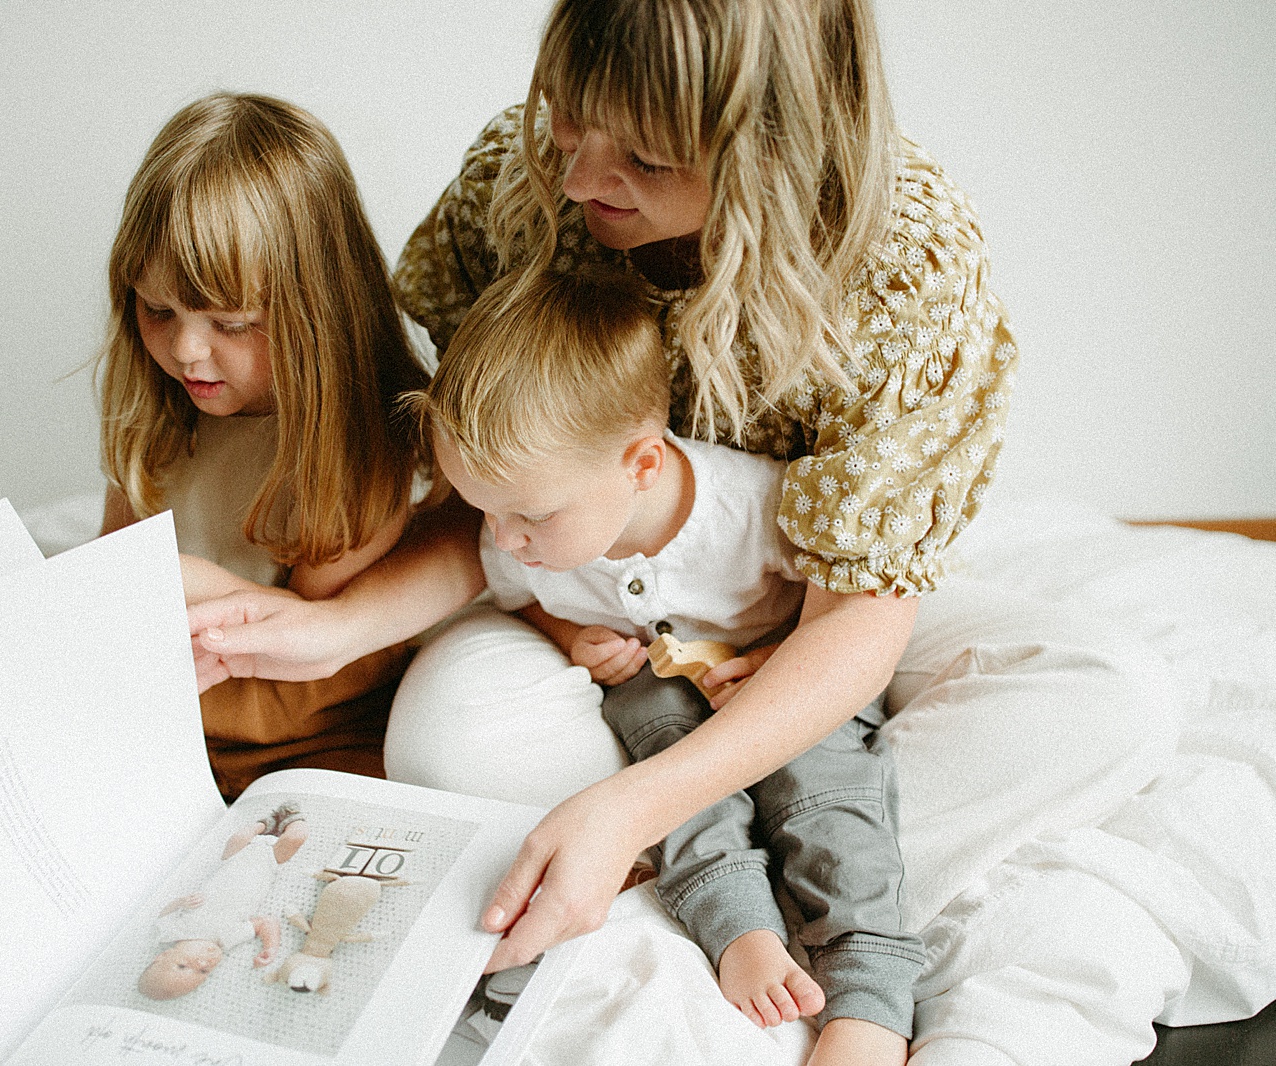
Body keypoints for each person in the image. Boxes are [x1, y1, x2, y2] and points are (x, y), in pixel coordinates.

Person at [191, 4, 1154, 1061]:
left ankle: (707, 891)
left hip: (794, 617)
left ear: (779, 146)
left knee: (1107, 698)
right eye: (566, 126)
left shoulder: (903, 267)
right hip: (582, 611)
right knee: (443, 740)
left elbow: (857, 611)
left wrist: (633, 803)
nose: (577, 181)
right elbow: (490, 514)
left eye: (644, 156)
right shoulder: (518, 191)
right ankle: (708, 869)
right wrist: (327, 630)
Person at [404, 267, 922, 1054]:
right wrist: (565, 633)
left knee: (828, 804)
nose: (504, 540)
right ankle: (737, 924)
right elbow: (515, 590)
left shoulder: (755, 507)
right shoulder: (527, 536)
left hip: (782, 686)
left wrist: (780, 653)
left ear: (641, 466)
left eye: (529, 517)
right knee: (668, 783)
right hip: (662, 693)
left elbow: (851, 604)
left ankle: (868, 999)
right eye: (486, 513)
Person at [94, 93, 434, 798]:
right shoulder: (159, 413)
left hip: (314, 735)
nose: (188, 351)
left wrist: (169, 587)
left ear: (318, 312)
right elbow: (110, 579)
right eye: (159, 310)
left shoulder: (364, 443)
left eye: (231, 322)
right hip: (166, 723)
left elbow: (301, 663)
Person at [137, 804, 308, 1000]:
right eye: (203, 973)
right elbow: (266, 923)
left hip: (231, 859)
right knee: (296, 838)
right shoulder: (226, 938)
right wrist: (270, 947)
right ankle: (291, 817)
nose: (203, 964)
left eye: (183, 966)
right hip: (267, 864)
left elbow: (163, 913)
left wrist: (181, 902)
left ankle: (265, 824)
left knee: (239, 838)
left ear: (163, 956)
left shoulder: (172, 932)